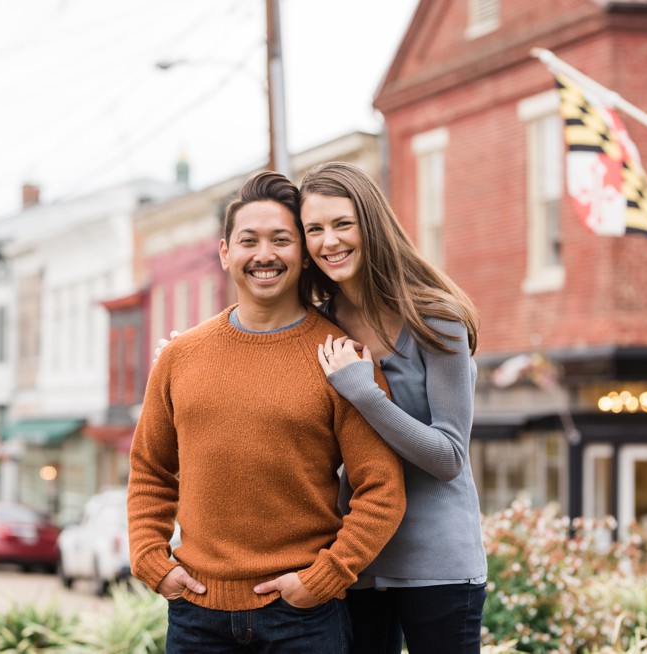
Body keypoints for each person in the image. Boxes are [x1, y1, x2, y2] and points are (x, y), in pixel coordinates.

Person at [127, 170, 407, 654]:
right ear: (224, 253)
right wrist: (152, 560)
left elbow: (382, 489)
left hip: (304, 620)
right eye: (248, 240)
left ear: (301, 255)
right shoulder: (180, 357)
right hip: (196, 616)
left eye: (281, 239)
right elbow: (150, 470)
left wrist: (324, 578)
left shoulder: (340, 359)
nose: (264, 255)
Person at [299, 161, 487, 654]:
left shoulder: (434, 319)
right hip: (354, 561)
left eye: (342, 224)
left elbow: (448, 458)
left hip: (438, 565)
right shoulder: (317, 327)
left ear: (371, 224)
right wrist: (182, 353)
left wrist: (364, 391)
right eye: (314, 229)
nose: (328, 241)